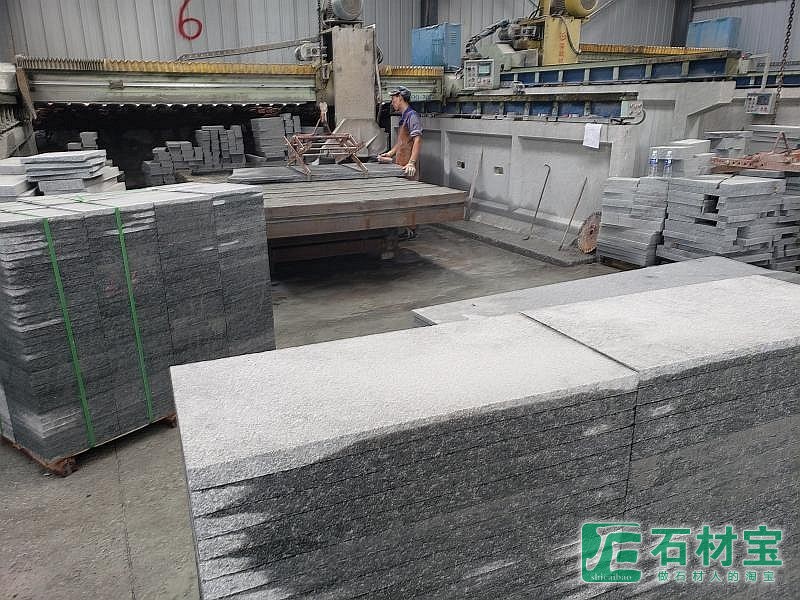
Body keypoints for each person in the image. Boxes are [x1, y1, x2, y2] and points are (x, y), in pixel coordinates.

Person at [378, 86, 422, 179]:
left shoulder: (412, 116)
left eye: (393, 99)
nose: (392, 102)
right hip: (401, 166)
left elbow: (417, 140)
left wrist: (411, 163)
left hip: (408, 168)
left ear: (400, 97)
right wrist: (390, 153)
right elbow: (402, 141)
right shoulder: (404, 116)